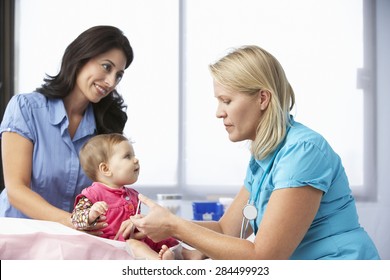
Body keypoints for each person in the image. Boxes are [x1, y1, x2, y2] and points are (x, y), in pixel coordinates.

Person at [118, 45, 381, 260]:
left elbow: (264, 257)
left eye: (227, 100)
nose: (219, 112)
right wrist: (166, 230)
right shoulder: (264, 156)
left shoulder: (303, 152)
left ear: (263, 99)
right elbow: (226, 230)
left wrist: (174, 226)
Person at [0, 25, 133, 234]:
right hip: (19, 236)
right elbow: (16, 190)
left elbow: (109, 192)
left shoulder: (105, 126)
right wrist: (71, 221)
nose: (110, 82)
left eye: (118, 75)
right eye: (106, 67)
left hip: (73, 243)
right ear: (80, 57)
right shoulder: (26, 108)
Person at [71, 133, 180, 260]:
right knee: (134, 245)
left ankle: (187, 253)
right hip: (115, 246)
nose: (136, 160)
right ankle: (159, 263)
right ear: (106, 169)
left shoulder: (132, 194)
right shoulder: (92, 194)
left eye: (133, 155)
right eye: (127, 156)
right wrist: (91, 214)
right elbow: (75, 219)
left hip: (138, 239)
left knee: (162, 233)